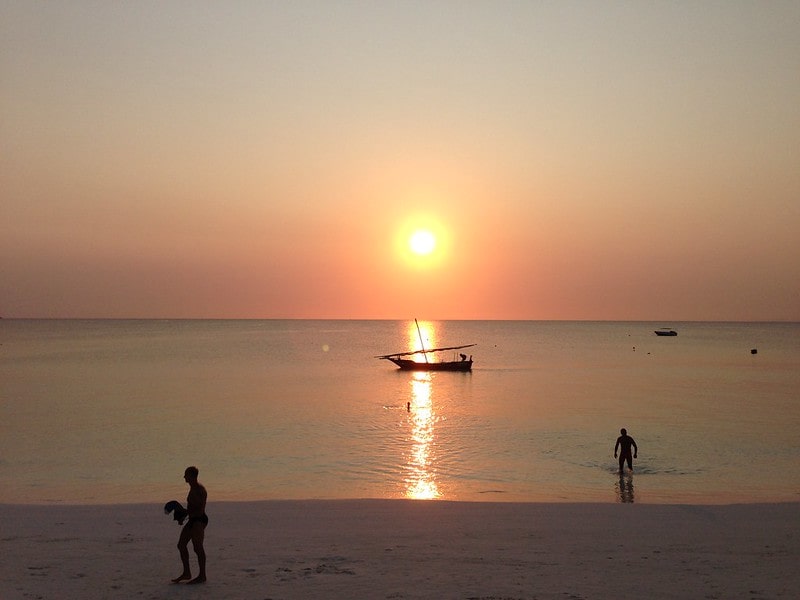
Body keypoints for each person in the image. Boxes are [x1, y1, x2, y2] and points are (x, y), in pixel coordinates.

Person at [172, 466, 208, 584]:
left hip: (199, 521)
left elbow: (199, 509)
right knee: (181, 545)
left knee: (197, 547)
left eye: (186, 475)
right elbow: (192, 508)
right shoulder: (192, 488)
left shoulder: (199, 490)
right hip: (192, 519)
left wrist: (185, 512)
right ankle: (186, 573)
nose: (184, 477)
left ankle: (202, 575)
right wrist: (182, 516)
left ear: (192, 476)